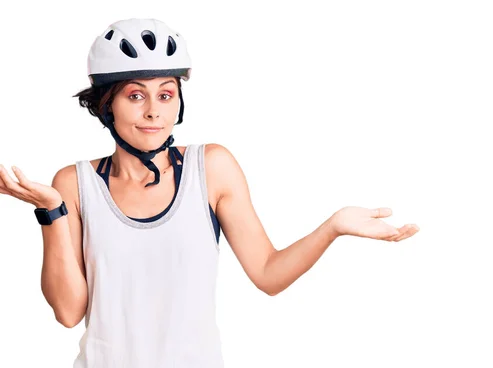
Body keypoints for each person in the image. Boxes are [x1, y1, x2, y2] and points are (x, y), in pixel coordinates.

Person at [0, 18, 419, 368]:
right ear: (107, 105)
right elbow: (69, 312)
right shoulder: (73, 184)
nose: (153, 111)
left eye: (165, 93)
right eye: (135, 95)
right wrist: (51, 213)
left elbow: (268, 274)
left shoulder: (211, 168)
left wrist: (332, 228)